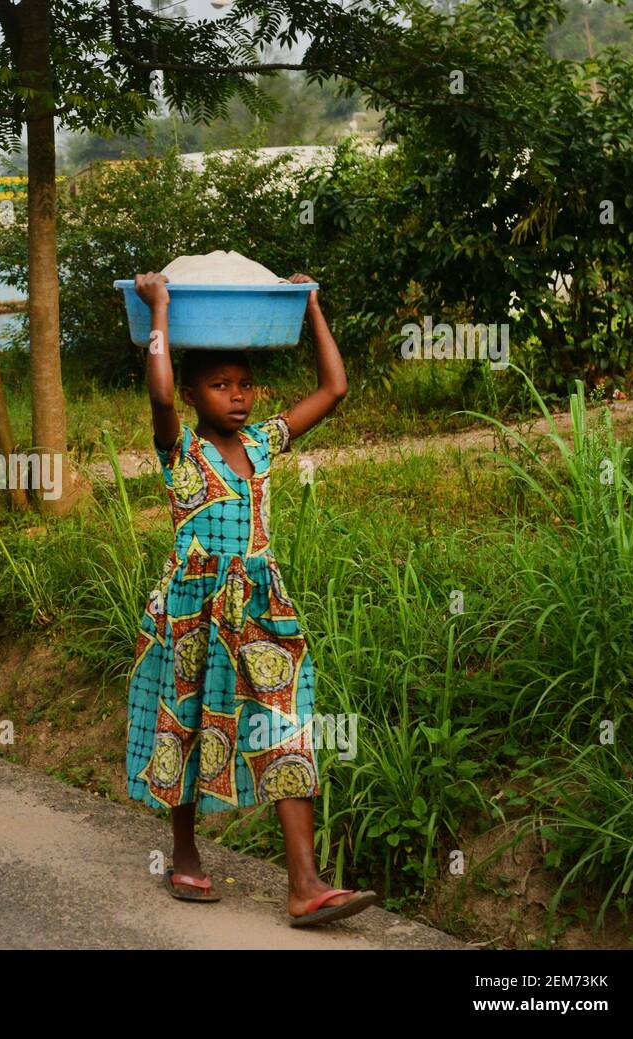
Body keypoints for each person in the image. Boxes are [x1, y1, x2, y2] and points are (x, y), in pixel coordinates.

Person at [126, 271, 376, 926]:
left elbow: (334, 389)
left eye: (244, 384)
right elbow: (155, 391)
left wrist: (314, 304)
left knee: (285, 722)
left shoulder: (264, 441)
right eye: (219, 385)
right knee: (184, 723)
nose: (236, 397)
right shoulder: (179, 449)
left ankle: (305, 883)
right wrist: (161, 309)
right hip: (193, 608)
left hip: (262, 603)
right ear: (192, 393)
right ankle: (185, 849)